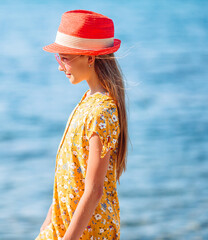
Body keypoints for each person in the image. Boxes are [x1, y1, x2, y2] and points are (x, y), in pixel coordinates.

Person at [35, 10, 129, 240]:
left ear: (90, 57)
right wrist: (50, 218)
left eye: (64, 58)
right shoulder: (88, 100)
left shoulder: (102, 112)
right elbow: (71, 171)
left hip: (89, 232)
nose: (60, 67)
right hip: (64, 224)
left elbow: (95, 190)